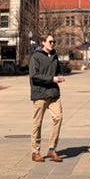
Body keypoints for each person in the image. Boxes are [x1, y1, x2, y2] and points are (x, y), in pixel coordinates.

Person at [30, 34, 65, 162]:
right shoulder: (36, 56)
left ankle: (52, 149)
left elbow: (58, 70)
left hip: (53, 94)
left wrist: (60, 76)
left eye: (54, 42)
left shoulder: (55, 56)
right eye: (50, 42)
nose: (53, 44)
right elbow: (34, 76)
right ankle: (35, 151)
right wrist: (52, 79)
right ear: (43, 42)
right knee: (37, 123)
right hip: (40, 94)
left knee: (58, 118)